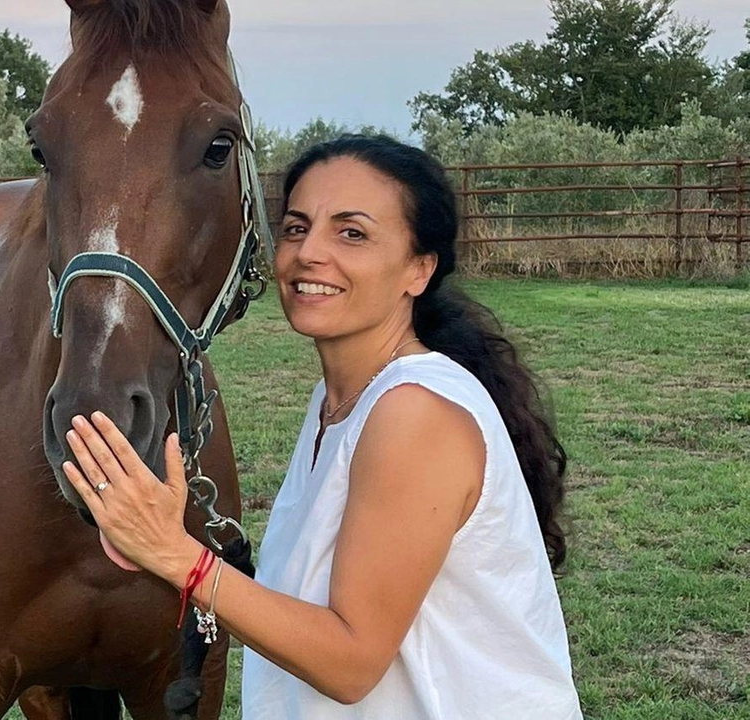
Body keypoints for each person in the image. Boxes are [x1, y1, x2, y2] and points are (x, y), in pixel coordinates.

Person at [61, 135, 583, 718]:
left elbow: (350, 663)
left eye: (352, 232)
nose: (310, 252)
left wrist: (174, 554)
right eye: (296, 227)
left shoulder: (414, 413)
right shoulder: (341, 400)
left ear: (419, 268)